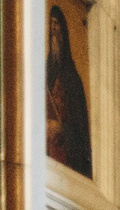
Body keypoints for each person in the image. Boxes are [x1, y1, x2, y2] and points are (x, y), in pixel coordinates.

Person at [44, 4, 89, 175]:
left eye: (57, 25)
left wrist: (61, 128)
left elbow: (79, 128)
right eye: (52, 25)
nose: (54, 29)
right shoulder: (46, 72)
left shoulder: (72, 79)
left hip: (66, 156)